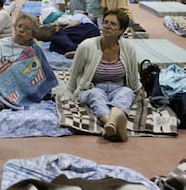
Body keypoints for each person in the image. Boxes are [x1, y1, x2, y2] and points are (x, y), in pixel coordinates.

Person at [56, 9, 142, 142]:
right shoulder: (87, 46)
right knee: (96, 94)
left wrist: (138, 91)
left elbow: (133, 74)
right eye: (105, 22)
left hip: (117, 87)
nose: (107, 26)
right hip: (92, 87)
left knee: (127, 93)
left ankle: (110, 125)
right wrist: (70, 92)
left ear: (121, 31)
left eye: (113, 24)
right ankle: (111, 123)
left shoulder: (128, 48)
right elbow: (75, 73)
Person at [0, 13, 58, 113]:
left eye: (27, 28)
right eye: (19, 26)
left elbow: (41, 77)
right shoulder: (3, 43)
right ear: (14, 28)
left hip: (5, 96)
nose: (21, 30)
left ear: (32, 34)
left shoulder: (34, 52)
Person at [36, 12, 100, 56]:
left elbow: (74, 23)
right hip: (83, 38)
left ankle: (74, 49)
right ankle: (75, 49)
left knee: (56, 41)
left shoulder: (79, 16)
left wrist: (60, 31)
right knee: (54, 46)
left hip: (89, 30)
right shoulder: (69, 21)